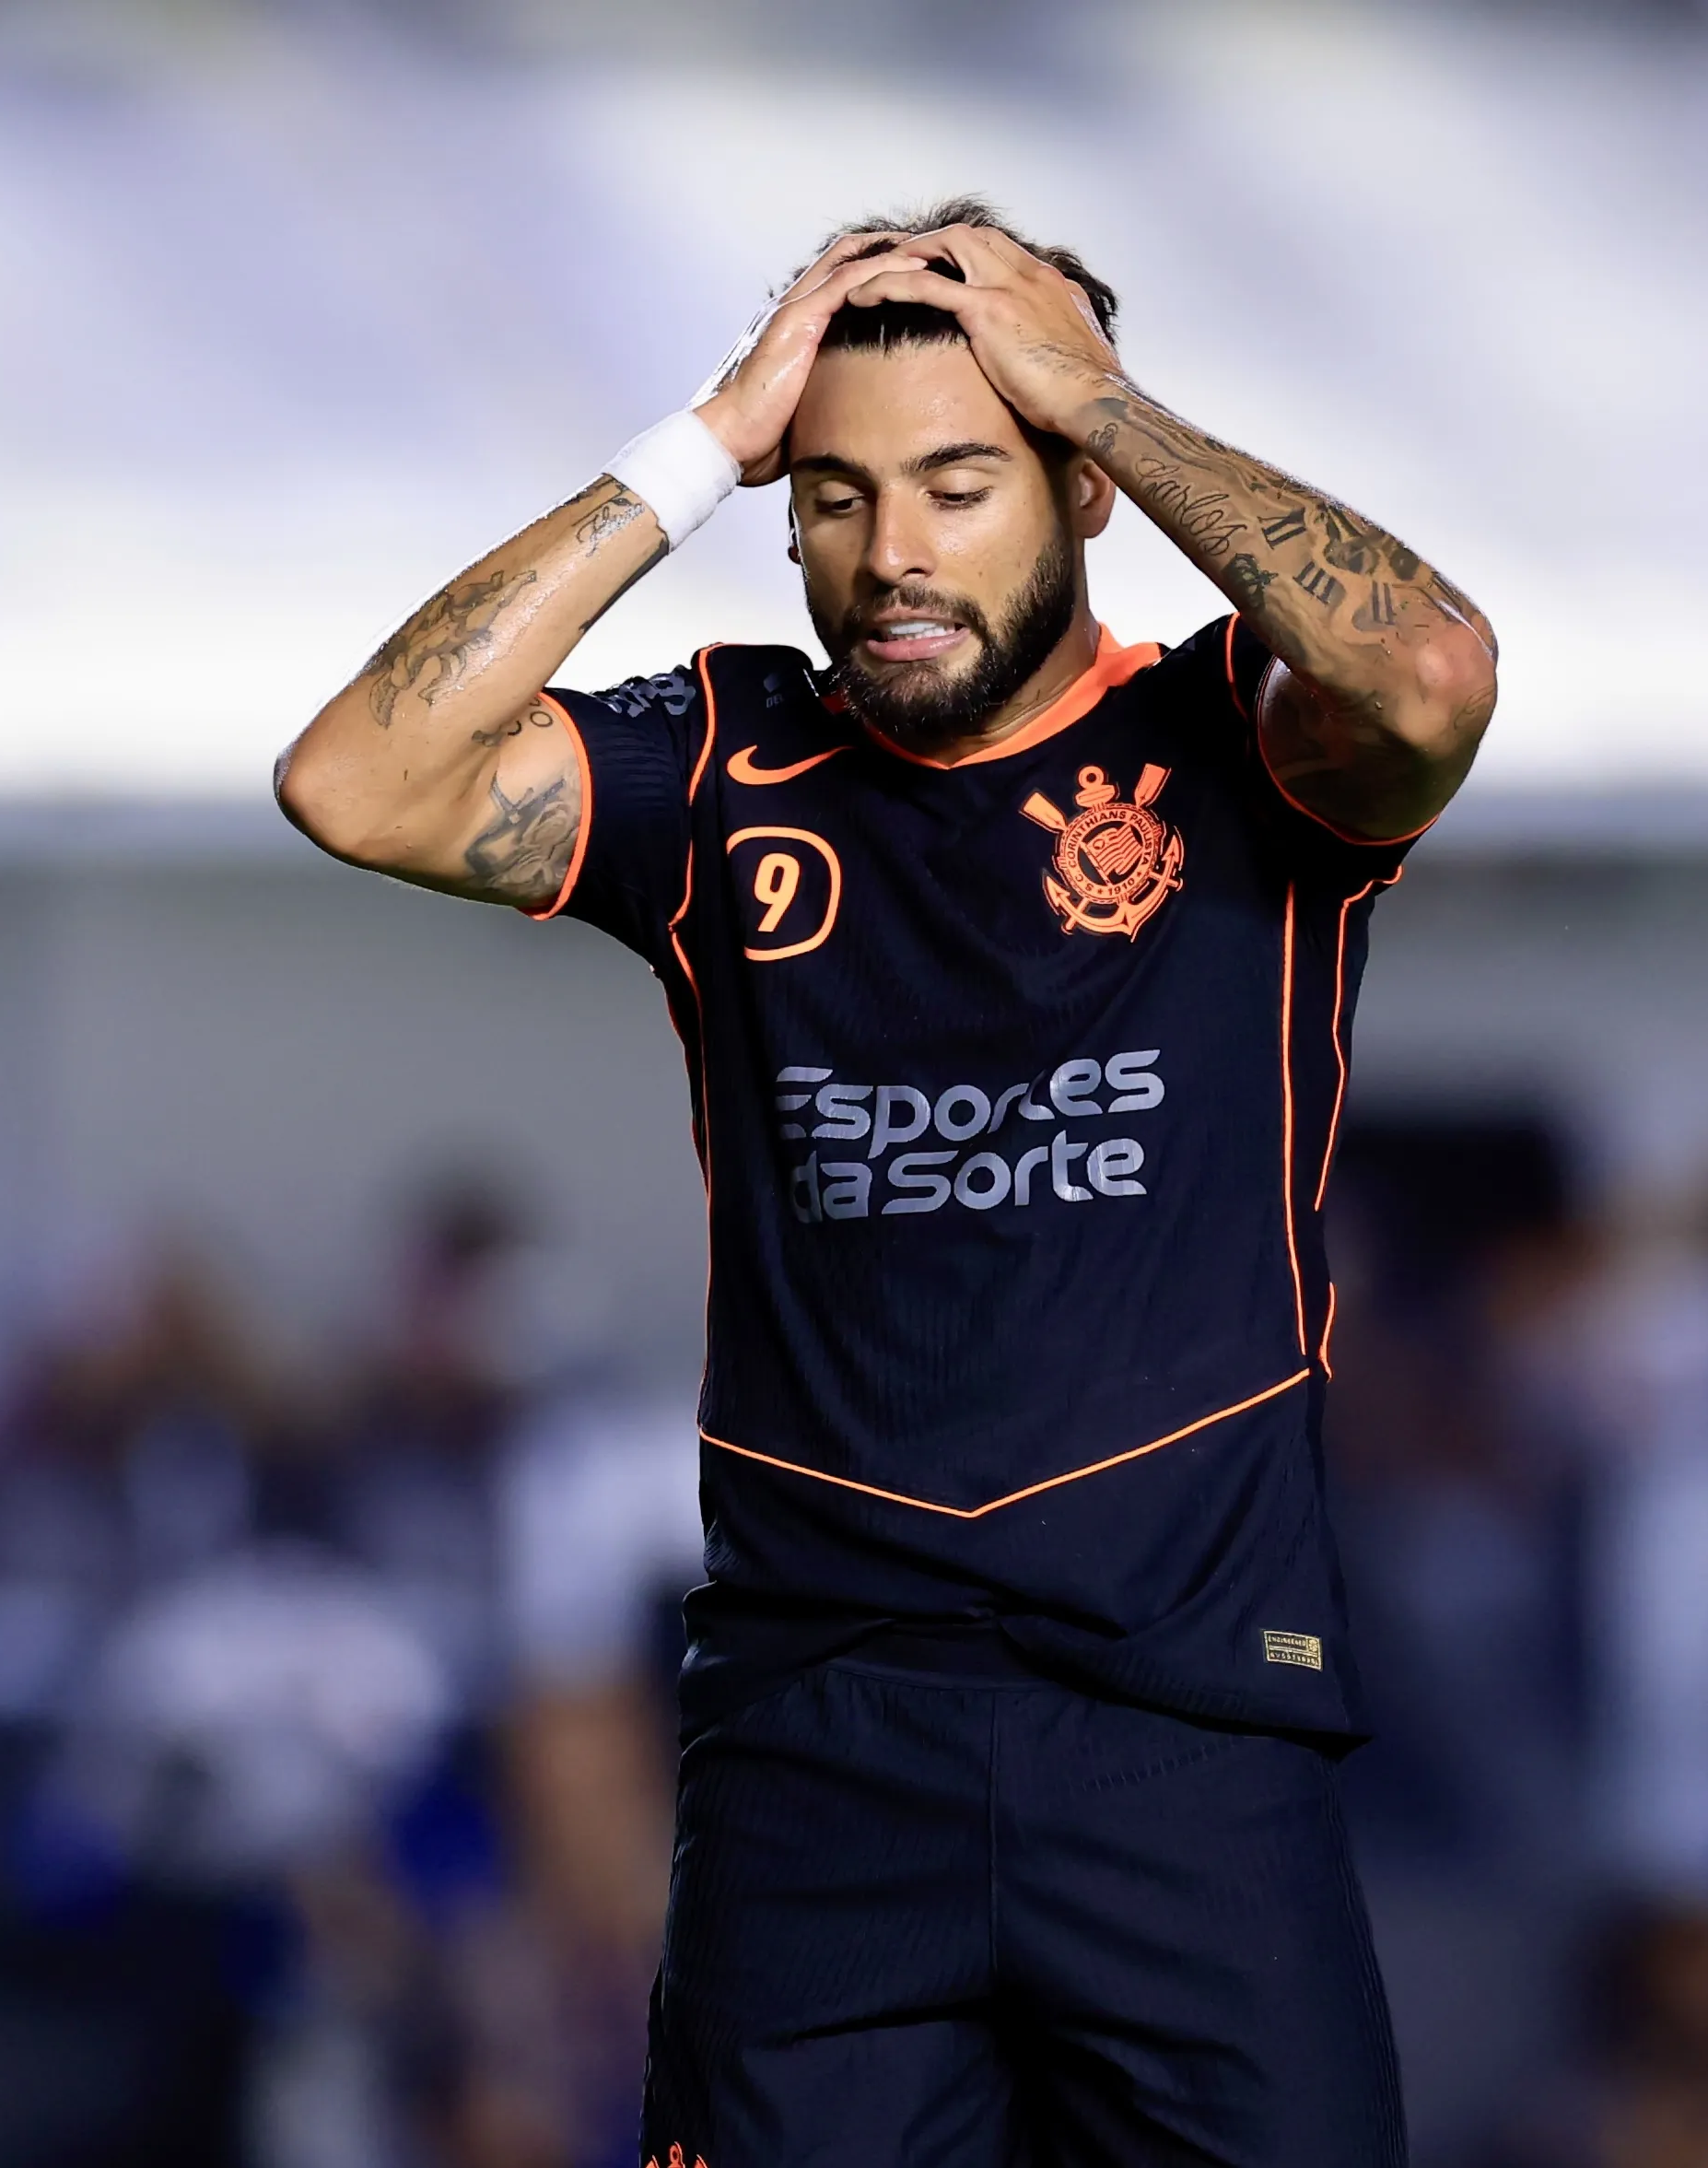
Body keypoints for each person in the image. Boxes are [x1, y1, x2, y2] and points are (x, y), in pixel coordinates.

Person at [275, 198, 1499, 2167]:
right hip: (813, 1755)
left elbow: (1430, 676)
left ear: (1082, 489)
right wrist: (698, 439)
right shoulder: (726, 761)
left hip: (1185, 1745)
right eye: (834, 494)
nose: (892, 555)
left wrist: (1106, 396)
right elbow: (360, 783)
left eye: (957, 483)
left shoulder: (1233, 744)